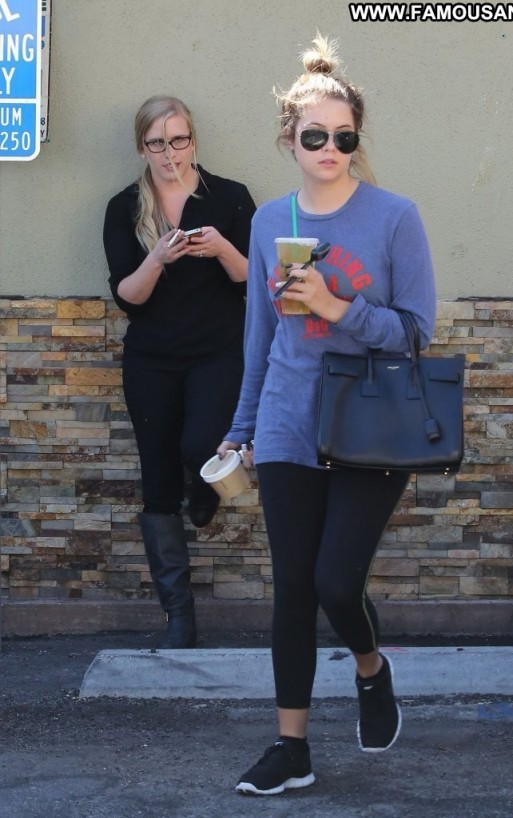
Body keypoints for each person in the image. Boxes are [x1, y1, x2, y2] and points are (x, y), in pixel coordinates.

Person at [217, 35, 437, 795]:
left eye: (345, 138)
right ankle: (292, 748)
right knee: (293, 589)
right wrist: (241, 427)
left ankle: (371, 669)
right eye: (316, 137)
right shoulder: (267, 222)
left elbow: (416, 331)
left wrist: (337, 306)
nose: (331, 151)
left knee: (336, 584)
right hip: (287, 420)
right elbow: (260, 335)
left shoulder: (394, 217)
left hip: (372, 420)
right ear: (290, 139)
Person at [103, 95, 256, 649]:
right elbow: (128, 297)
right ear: (141, 148)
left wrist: (221, 249)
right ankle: (178, 617)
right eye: (157, 143)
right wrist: (157, 258)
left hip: (218, 352)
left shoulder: (230, 197)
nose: (170, 154)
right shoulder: (125, 207)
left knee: (202, 444)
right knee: (158, 481)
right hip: (151, 359)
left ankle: (206, 483)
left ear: (193, 139)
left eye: (179, 140)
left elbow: (255, 280)